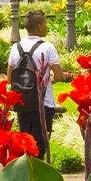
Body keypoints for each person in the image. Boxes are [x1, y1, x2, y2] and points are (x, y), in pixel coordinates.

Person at [7, 11, 60, 159]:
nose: (47, 27)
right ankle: (38, 171)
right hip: (43, 104)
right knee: (39, 148)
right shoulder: (48, 47)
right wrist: (51, 78)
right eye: (45, 24)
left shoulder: (16, 47)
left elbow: (10, 78)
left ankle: (27, 170)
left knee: (25, 145)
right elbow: (59, 75)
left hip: (22, 104)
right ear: (39, 26)